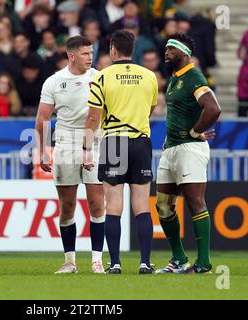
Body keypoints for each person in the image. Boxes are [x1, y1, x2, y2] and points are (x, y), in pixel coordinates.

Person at [84, 30, 158, 274]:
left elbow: (94, 117)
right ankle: (145, 262)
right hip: (140, 141)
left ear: (113, 50)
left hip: (114, 141)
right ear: (133, 50)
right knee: (142, 206)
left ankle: (115, 263)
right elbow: (150, 109)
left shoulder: (102, 77)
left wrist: (86, 148)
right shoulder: (149, 76)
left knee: (113, 206)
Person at [35, 35, 105, 274]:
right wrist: (42, 150)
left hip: (95, 141)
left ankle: (97, 261)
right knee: (67, 205)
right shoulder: (54, 82)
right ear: (71, 55)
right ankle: (69, 261)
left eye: (91, 53)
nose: (90, 57)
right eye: (85, 53)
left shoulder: (99, 77)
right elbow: (43, 118)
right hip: (65, 141)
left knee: (97, 203)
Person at [155, 33, 221, 274]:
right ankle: (179, 258)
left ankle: (203, 263)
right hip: (171, 148)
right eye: (165, 49)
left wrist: (195, 131)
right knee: (163, 206)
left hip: (190, 149)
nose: (166, 53)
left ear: (184, 53)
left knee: (195, 202)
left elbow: (213, 109)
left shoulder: (194, 76)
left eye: (170, 49)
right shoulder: (174, 78)